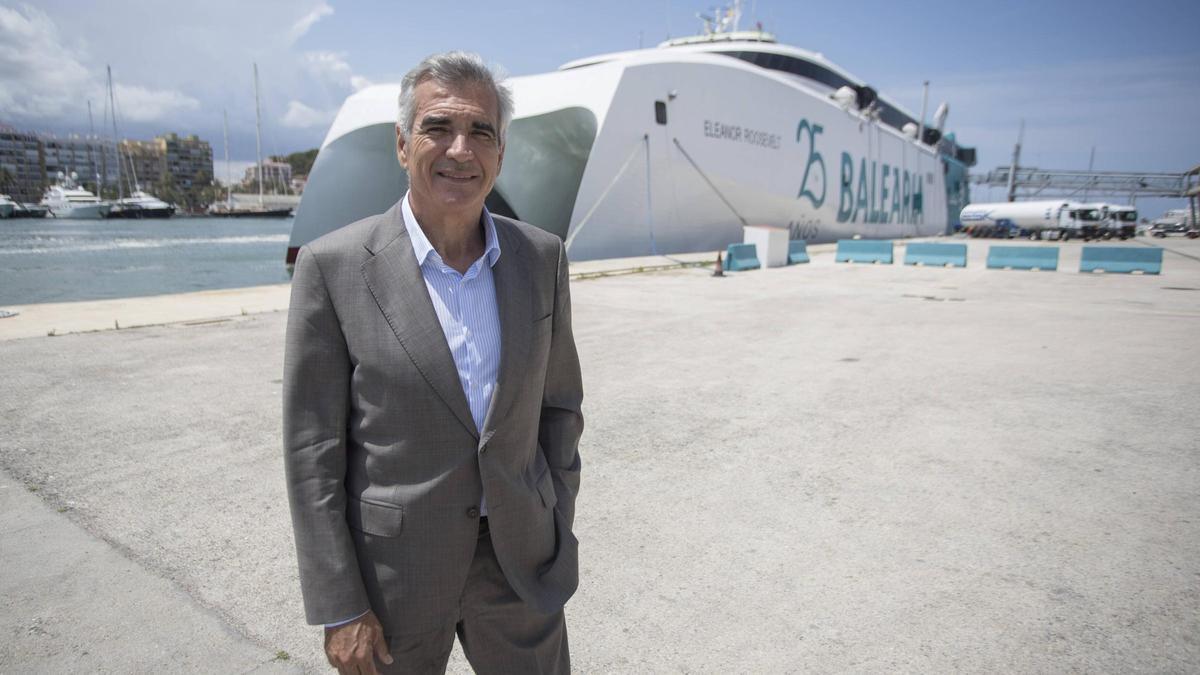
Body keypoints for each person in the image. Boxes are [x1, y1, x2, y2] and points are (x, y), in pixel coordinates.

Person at [283, 51, 584, 674]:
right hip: (394, 578)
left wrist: (554, 519)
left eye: (480, 131)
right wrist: (340, 603)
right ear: (402, 144)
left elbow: (559, 408)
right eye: (438, 127)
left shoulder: (542, 258)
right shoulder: (333, 268)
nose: (460, 150)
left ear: (501, 152)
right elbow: (312, 453)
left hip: (519, 565)